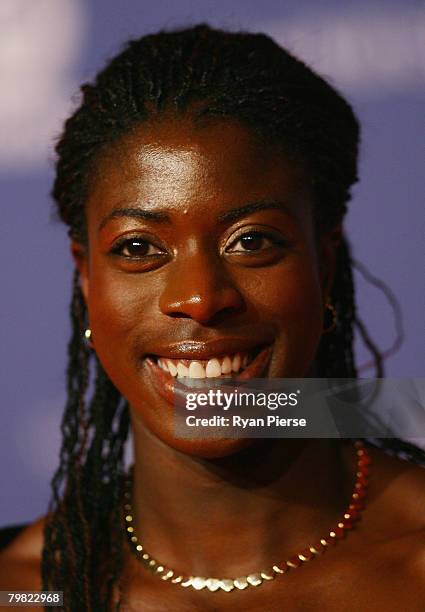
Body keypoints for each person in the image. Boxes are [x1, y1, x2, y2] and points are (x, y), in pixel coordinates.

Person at [1, 24, 424, 611]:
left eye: (250, 241)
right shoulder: (23, 590)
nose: (200, 299)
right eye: (138, 247)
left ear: (323, 266)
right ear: (86, 277)